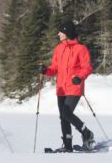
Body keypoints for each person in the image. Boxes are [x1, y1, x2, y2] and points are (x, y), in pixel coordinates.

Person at [39, 20, 95, 152]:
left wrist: (79, 77)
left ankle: (86, 133)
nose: (58, 34)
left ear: (67, 33)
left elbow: (87, 68)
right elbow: (54, 68)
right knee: (63, 117)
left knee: (66, 113)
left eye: (61, 32)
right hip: (61, 88)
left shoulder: (81, 49)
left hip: (74, 87)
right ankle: (68, 145)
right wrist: (45, 70)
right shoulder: (59, 48)